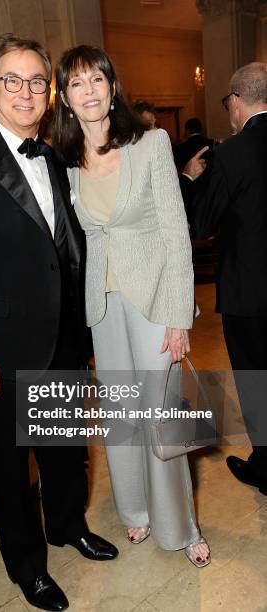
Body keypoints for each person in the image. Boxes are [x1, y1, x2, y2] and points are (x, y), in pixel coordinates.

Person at [0, 34, 118, 612]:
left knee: (65, 448)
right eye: (12, 80)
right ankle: (27, 565)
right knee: (12, 469)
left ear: (48, 91)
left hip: (63, 334)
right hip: (1, 349)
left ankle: (68, 527)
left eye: (37, 81)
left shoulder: (58, 155)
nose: (26, 91)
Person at [52, 44, 210, 568]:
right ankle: (135, 509)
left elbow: (174, 232)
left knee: (160, 410)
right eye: (76, 83)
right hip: (102, 301)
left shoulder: (150, 143)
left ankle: (181, 526)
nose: (89, 90)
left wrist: (177, 315)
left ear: (111, 86)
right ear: (66, 98)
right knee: (120, 411)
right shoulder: (64, 158)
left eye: (97, 79)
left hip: (153, 295)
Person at [183, 62, 267, 495]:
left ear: (236, 101)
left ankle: (266, 467)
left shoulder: (230, 155)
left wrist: (193, 181)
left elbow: (200, 224)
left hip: (248, 293)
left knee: (256, 380)